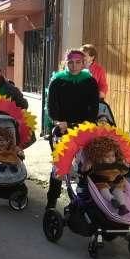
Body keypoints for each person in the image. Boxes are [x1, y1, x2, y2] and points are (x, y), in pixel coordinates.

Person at [45, 49, 100, 209]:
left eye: (77, 62)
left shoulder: (89, 82)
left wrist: (87, 125)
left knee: (86, 166)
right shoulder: (57, 81)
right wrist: (58, 121)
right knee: (59, 167)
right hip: (63, 130)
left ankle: (85, 199)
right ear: (65, 63)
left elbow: (94, 108)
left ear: (83, 63)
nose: (74, 66)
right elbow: (51, 107)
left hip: (83, 130)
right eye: (70, 62)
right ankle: (51, 202)